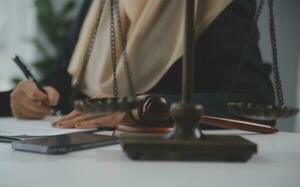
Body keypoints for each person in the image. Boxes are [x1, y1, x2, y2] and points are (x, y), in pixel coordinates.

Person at [1, 0, 275, 128]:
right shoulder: (98, 4)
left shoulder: (214, 5)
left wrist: (145, 109)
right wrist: (41, 91)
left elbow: (258, 104)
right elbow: (71, 75)